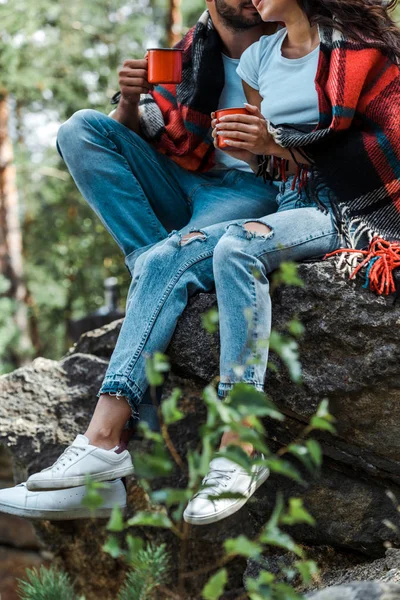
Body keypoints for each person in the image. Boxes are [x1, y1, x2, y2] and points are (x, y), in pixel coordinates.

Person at [2, 0, 400, 524]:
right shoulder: (245, 55)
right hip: (275, 197)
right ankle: (109, 435)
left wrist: (275, 146)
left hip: (343, 206)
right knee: (89, 140)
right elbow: (263, 156)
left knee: (190, 256)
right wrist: (131, 101)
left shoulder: (354, 51)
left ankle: (213, 437)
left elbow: (333, 144)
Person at [0, 0, 279, 520]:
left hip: (251, 188)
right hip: (186, 182)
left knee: (160, 262)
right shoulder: (188, 54)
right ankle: (164, 277)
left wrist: (267, 146)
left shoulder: (294, 42)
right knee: (80, 129)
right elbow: (142, 131)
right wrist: (130, 102)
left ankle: (105, 445)